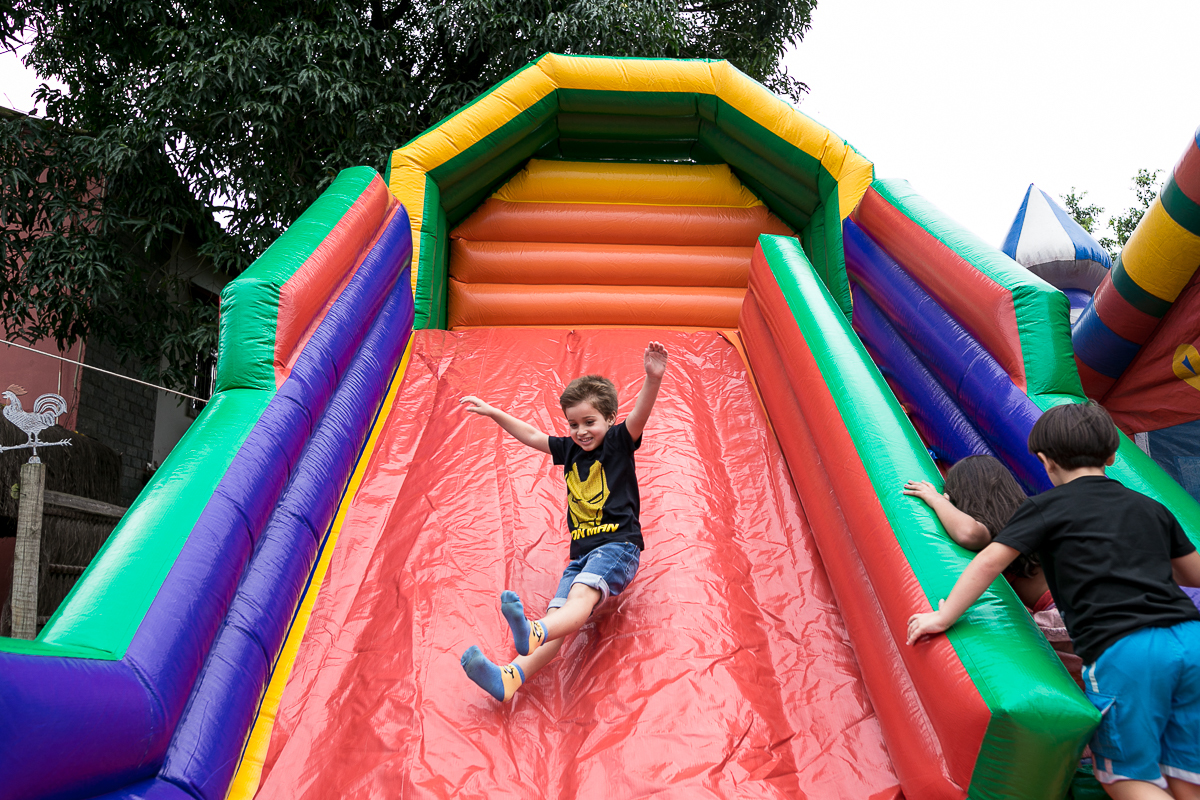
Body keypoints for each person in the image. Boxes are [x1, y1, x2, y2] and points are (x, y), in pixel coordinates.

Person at [907, 403, 1200, 800]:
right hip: (1189, 638)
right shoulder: (1151, 507)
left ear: (1045, 461)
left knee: (1127, 776)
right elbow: (1193, 576)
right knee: (1183, 771)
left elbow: (988, 560)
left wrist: (944, 615)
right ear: (1113, 456)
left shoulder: (1045, 508)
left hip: (1124, 646)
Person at [457, 341, 668, 703]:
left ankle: (534, 631)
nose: (581, 431)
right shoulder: (570, 449)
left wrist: (653, 378)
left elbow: (639, 416)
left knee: (579, 600)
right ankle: (510, 677)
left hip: (618, 545)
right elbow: (533, 435)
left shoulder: (618, 442)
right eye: (573, 424)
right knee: (561, 615)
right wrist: (495, 413)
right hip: (581, 553)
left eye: (589, 422)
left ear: (609, 420)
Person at [905, 456, 1082, 683]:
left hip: (1061, 616)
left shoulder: (993, 532)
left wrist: (938, 501)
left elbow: (968, 534)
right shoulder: (1029, 515)